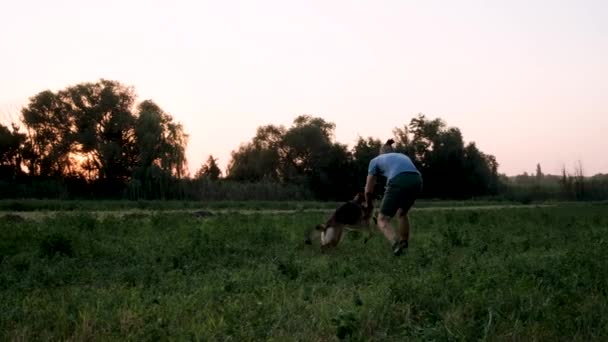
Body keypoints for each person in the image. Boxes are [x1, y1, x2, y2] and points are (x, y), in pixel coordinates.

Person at [364, 139, 423, 256]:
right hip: (417, 180)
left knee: (382, 219)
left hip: (398, 180)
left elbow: (368, 189)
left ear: (381, 153)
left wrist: (369, 205)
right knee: (402, 213)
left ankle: (396, 245)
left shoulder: (375, 160)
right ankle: (404, 243)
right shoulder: (401, 156)